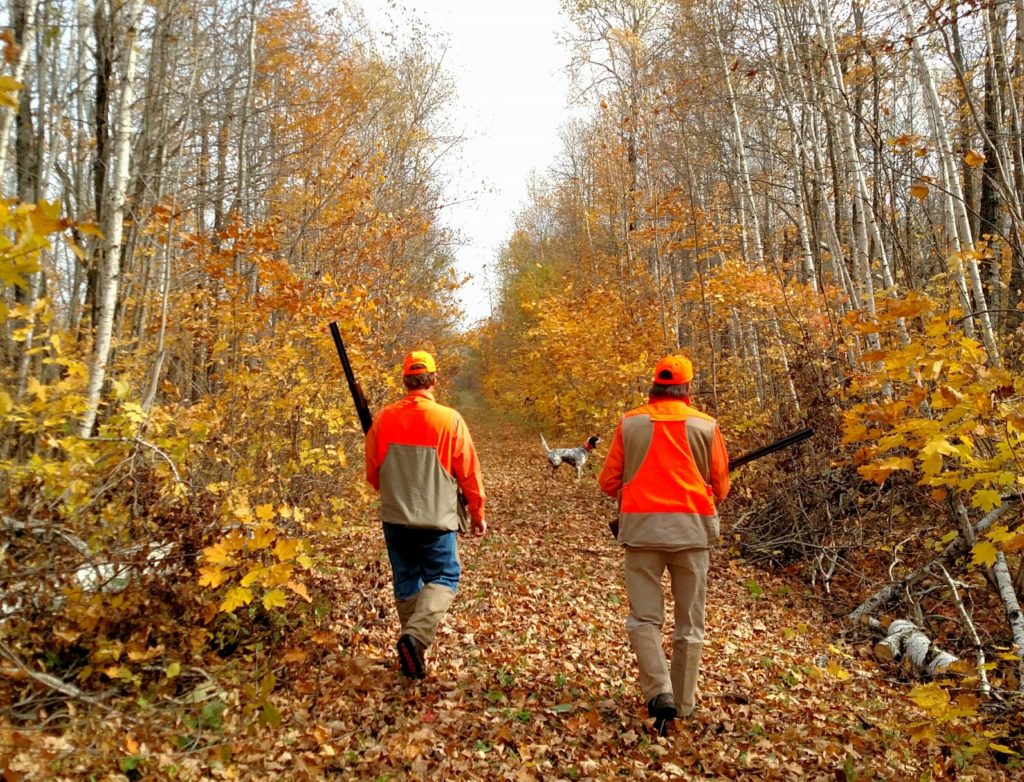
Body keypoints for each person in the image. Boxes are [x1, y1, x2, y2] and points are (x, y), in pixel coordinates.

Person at [598, 354, 729, 735]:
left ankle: (660, 693)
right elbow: (720, 486)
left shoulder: (631, 423)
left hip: (641, 534)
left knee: (643, 618)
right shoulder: (706, 426)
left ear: (654, 384)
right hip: (692, 534)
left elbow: (609, 482)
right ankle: (684, 704)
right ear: (688, 387)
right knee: (690, 622)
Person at [365, 350, 487, 679]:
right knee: (445, 576)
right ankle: (415, 639)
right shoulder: (448, 419)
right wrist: (477, 512)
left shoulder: (383, 418)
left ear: (405, 380)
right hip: (436, 520)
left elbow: (373, 475)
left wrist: (396, 493)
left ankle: (412, 652)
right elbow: (469, 473)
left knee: (406, 580)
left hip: (395, 518)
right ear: (433, 379)